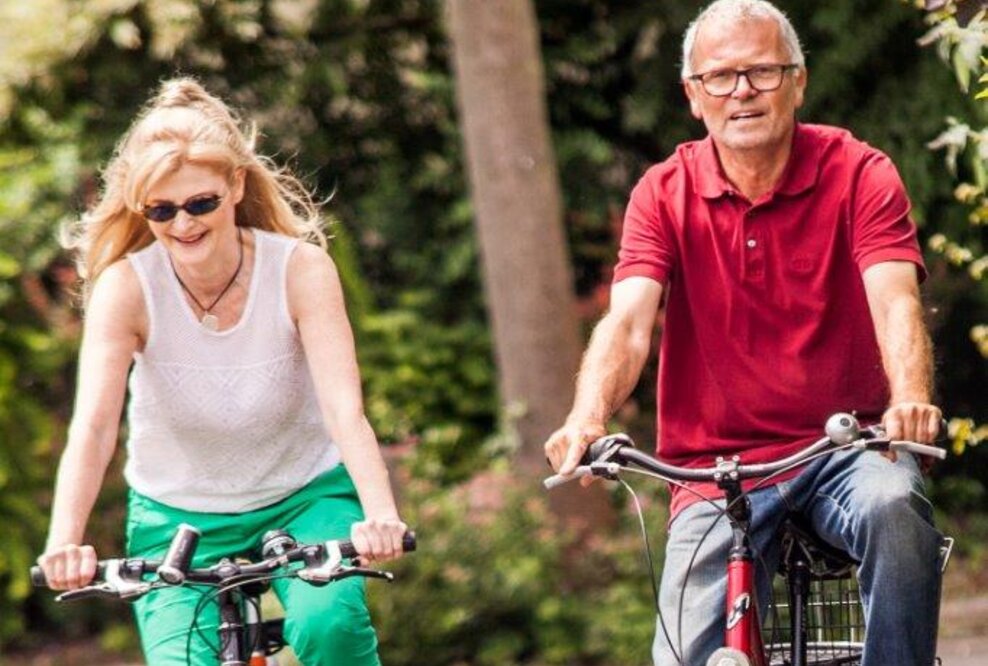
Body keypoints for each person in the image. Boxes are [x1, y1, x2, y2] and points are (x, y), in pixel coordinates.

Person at [544, 1, 945, 664]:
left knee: (896, 511)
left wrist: (908, 398)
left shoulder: (860, 173)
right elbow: (629, 321)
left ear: (798, 81)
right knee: (681, 652)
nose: (743, 92)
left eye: (762, 72)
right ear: (693, 97)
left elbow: (894, 299)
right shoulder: (662, 192)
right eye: (721, 77)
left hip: (844, 448)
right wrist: (587, 417)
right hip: (712, 468)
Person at [35, 77, 407, 665]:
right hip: (177, 516)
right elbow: (94, 427)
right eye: (161, 210)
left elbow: (344, 411)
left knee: (328, 625)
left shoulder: (299, 271)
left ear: (235, 185)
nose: (182, 224)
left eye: (200, 203)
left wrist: (381, 514)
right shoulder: (127, 289)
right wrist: (64, 540)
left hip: (303, 495)